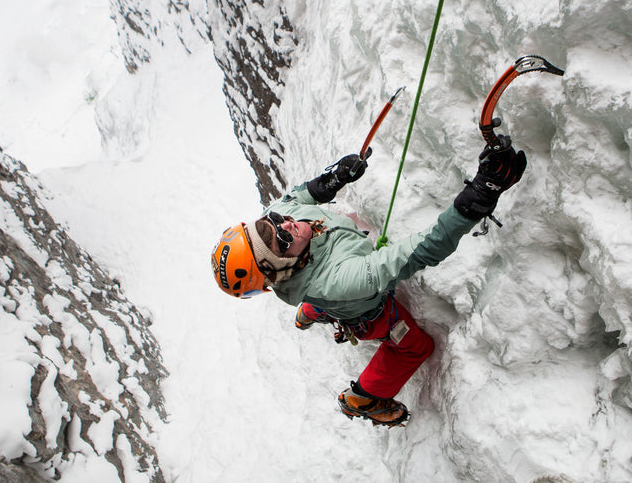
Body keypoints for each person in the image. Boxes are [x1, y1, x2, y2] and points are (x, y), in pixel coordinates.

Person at [210, 137, 527, 427]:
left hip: (326, 283)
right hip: (369, 313)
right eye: (279, 240)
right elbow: (415, 253)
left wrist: (333, 179)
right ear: (280, 270)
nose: (286, 223)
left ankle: (312, 310)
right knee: (415, 347)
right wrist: (475, 199)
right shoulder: (341, 281)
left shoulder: (276, 223)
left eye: (270, 223)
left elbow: (294, 198)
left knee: (322, 290)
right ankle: (364, 398)